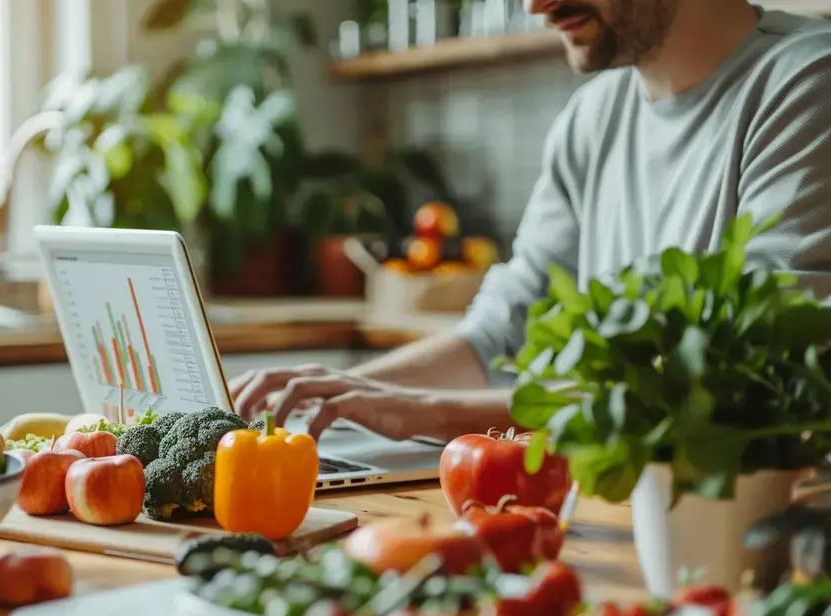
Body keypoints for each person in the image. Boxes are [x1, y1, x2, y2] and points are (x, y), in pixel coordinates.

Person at [230, 0, 831, 443]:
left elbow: (749, 381)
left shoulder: (807, 85)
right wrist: (336, 398)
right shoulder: (591, 118)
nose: (534, 5)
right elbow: (505, 332)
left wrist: (428, 410)